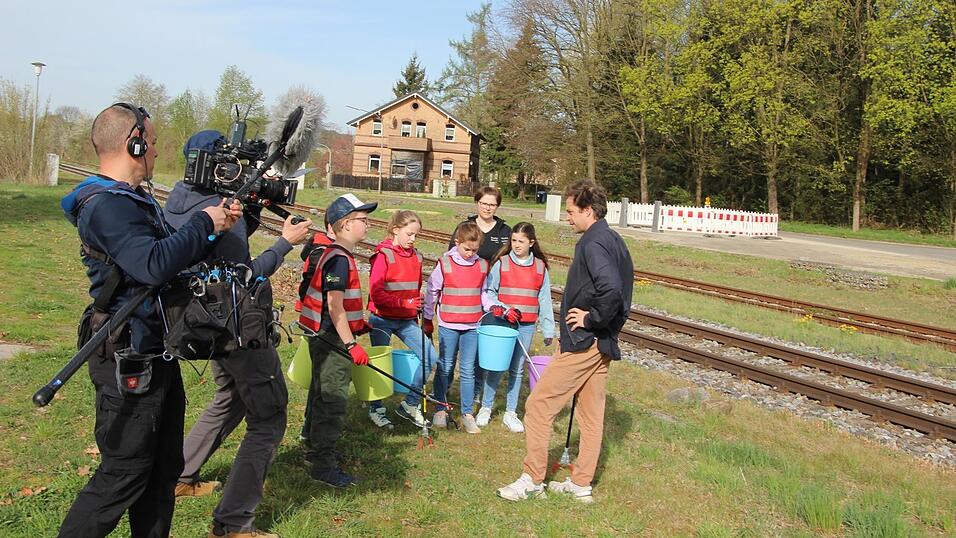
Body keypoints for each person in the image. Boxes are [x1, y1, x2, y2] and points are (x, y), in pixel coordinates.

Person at [58, 103, 242, 537]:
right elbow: (152, 264)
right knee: (125, 471)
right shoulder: (106, 206)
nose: (157, 153)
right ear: (133, 142)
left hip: (155, 351)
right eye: (153, 143)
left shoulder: (135, 200)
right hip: (124, 354)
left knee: (163, 470)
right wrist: (200, 220)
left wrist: (215, 227)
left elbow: (172, 255)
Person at [163, 130, 312, 538]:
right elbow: (243, 276)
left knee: (230, 397)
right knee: (269, 416)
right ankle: (233, 523)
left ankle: (181, 475)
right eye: (237, 167)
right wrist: (284, 243)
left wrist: (246, 211)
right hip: (234, 326)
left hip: (202, 323)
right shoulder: (213, 210)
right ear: (220, 168)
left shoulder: (180, 199)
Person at [496, 180, 633, 504]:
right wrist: (606, 326)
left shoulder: (593, 244)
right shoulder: (614, 240)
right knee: (590, 414)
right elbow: (623, 290)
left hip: (584, 342)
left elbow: (612, 290)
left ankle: (532, 479)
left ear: (588, 210)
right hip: (602, 344)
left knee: (539, 406)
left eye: (571, 211)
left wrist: (591, 319)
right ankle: (581, 483)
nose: (567, 217)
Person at [298, 194, 377, 487]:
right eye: (362, 220)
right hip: (333, 340)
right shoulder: (339, 259)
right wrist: (352, 345)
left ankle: (311, 442)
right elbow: (334, 306)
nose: (367, 225)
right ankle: (322, 464)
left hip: (326, 335)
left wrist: (357, 326)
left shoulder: (334, 253)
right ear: (344, 224)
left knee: (320, 392)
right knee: (332, 400)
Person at [476, 222, 555, 433]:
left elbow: (545, 300)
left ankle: (511, 412)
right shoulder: (502, 263)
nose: (516, 245)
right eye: (513, 241)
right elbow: (490, 292)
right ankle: (486, 406)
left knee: (517, 369)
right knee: (496, 365)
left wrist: (549, 329)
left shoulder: (540, 267)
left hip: (527, 325)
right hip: (503, 324)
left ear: (531, 243)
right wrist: (503, 308)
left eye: (521, 241)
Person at [366, 210, 438, 429]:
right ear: (396, 230)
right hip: (382, 319)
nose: (413, 239)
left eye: (416, 235)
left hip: (407, 320)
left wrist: (417, 301)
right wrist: (403, 303)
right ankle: (376, 408)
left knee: (430, 356)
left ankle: (410, 403)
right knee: (380, 365)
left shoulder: (417, 256)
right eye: (409, 234)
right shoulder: (384, 255)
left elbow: (414, 288)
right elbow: (376, 293)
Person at [424, 222, 488, 433]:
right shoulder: (445, 263)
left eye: (475, 250)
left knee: (468, 370)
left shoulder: (482, 265)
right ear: (457, 242)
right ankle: (440, 408)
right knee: (446, 366)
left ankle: (467, 413)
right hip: (449, 324)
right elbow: (432, 290)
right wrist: (427, 317)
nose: (470, 253)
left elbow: (484, 293)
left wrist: (494, 307)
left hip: (472, 325)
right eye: (466, 249)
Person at [296, 215, 335, 443]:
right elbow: (310, 287)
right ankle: (313, 436)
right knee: (322, 381)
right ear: (332, 227)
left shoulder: (326, 248)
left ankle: (309, 432)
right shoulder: (321, 251)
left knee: (320, 380)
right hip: (321, 323)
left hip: (321, 321)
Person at [448, 186, 511, 262]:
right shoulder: (464, 227)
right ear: (477, 203)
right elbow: (452, 254)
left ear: (497, 206)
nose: (487, 208)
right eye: (484, 203)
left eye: (492, 205)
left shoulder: (505, 231)